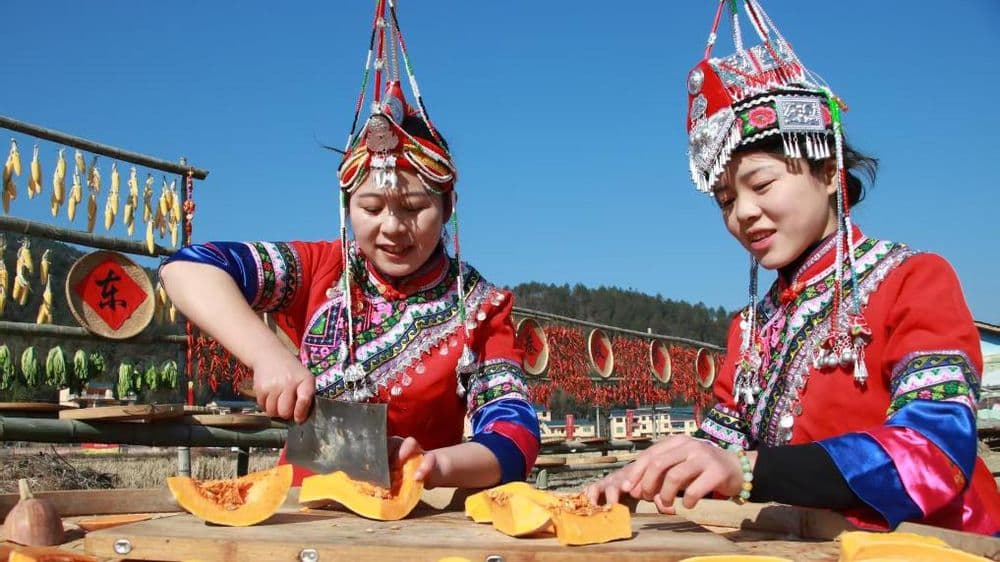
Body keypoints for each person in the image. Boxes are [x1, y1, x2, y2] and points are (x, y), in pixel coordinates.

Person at [586, 0, 1000, 535]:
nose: (743, 213)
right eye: (724, 200)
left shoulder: (913, 280)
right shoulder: (751, 326)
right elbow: (723, 443)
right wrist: (648, 471)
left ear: (828, 171)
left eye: (760, 185)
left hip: (940, 546)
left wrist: (748, 471)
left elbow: (934, 452)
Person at [159, 1, 539, 489]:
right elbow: (187, 268)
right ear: (347, 208)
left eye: (413, 208)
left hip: (413, 515)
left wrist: (435, 465)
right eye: (372, 208)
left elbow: (514, 435)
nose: (392, 228)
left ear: (447, 208)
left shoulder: (480, 308)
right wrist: (268, 355)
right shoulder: (320, 268)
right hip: (303, 515)